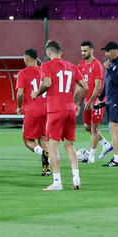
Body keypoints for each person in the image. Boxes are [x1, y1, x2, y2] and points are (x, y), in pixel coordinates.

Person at [37, 39, 86, 191]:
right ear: (61, 52)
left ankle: (57, 181)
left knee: (52, 146)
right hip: (70, 109)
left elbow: (46, 83)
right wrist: (78, 103)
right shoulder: (72, 66)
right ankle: (76, 179)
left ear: (48, 52)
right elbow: (84, 86)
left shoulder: (46, 66)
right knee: (69, 145)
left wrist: (36, 93)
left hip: (55, 110)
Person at [15, 47, 50, 176]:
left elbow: (20, 94)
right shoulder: (44, 70)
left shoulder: (22, 73)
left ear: (27, 58)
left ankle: (42, 153)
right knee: (42, 138)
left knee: (28, 140)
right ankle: (46, 168)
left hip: (32, 110)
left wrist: (19, 106)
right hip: (46, 109)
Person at [97, 42, 118, 167]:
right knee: (112, 129)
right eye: (105, 51)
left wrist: (109, 69)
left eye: (109, 51)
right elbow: (108, 83)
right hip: (110, 100)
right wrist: (100, 98)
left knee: (114, 129)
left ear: (116, 50)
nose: (106, 54)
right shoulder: (111, 64)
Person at [77, 40, 109, 160]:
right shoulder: (81, 65)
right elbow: (79, 86)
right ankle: (105, 144)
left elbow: (98, 86)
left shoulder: (97, 65)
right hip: (87, 101)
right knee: (87, 127)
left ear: (91, 50)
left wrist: (91, 101)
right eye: (81, 51)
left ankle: (92, 157)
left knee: (94, 128)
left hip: (96, 102)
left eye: (85, 51)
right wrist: (74, 100)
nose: (82, 53)